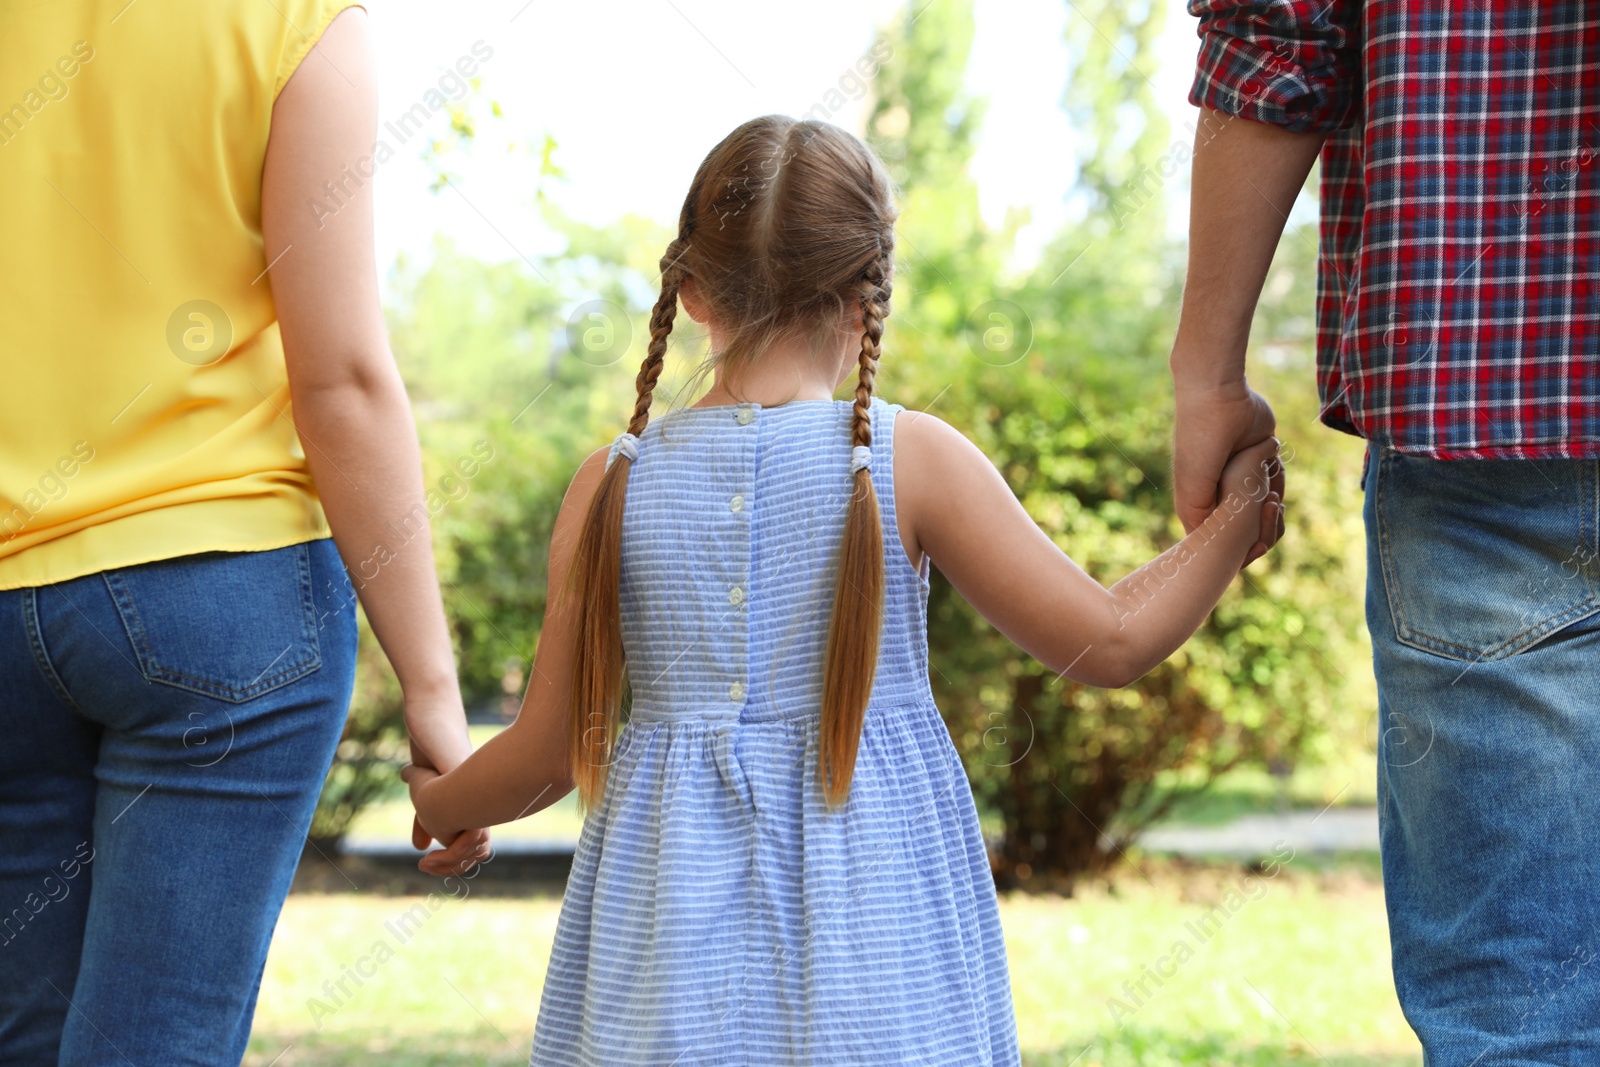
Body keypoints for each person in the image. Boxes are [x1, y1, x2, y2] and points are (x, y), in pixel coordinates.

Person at [402, 113, 1283, 1066]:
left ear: (690, 290)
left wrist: (448, 801)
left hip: (663, 956)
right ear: (870, 297)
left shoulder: (611, 485)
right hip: (879, 944)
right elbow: (1111, 638)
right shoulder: (912, 460)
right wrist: (1239, 513)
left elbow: (545, 749)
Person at [0, 5, 485, 1063]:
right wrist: (434, 688)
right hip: (222, 590)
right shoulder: (296, 19)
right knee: (158, 1039)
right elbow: (341, 378)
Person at [1173, 1, 1600, 1061]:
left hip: (1496, 390)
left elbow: (1275, 37)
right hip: (1492, 422)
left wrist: (1207, 376)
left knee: (1522, 1010)